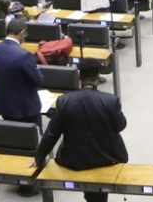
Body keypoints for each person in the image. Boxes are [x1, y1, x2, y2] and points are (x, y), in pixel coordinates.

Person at [34, 60, 128, 202]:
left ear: (79, 78)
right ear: (97, 78)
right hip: (106, 158)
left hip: (72, 160)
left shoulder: (64, 101)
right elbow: (121, 126)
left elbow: (51, 134)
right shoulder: (110, 101)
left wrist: (39, 157)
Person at [0, 18, 43, 126]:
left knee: (11, 135)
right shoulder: (24, 55)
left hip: (4, 104)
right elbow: (38, 80)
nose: (25, 37)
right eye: (26, 34)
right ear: (22, 33)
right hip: (25, 108)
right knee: (32, 139)